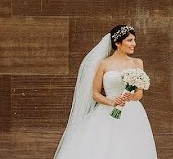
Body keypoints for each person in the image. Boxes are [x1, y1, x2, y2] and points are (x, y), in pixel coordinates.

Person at [54, 24, 157, 159]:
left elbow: (139, 94)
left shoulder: (137, 62)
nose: (134, 44)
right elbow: (95, 94)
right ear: (117, 43)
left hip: (133, 112)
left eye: (134, 40)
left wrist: (128, 96)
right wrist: (111, 101)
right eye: (130, 40)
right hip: (107, 111)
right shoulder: (104, 64)